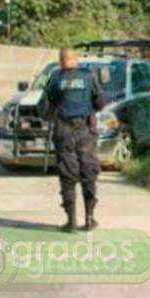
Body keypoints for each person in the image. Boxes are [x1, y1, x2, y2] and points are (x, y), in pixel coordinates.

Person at [45, 48, 106, 232]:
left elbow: (49, 102)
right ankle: (89, 219)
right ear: (77, 59)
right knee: (88, 170)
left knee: (67, 173)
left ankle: (71, 222)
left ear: (61, 60)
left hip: (63, 129)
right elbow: (100, 102)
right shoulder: (89, 76)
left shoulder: (55, 77)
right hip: (85, 129)